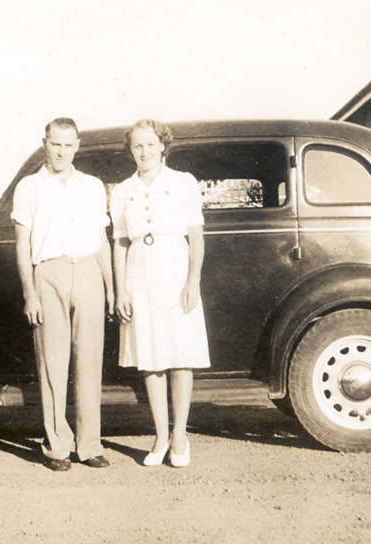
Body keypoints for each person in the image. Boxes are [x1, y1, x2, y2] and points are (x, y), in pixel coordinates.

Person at [12, 118, 115, 471]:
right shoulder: (29, 187)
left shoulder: (92, 186)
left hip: (87, 272)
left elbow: (102, 242)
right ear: (45, 143)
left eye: (69, 145)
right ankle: (57, 446)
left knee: (89, 361)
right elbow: (22, 245)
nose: (62, 151)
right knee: (53, 363)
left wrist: (112, 288)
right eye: (56, 144)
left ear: (77, 145)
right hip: (48, 274)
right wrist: (30, 293)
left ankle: (90, 445)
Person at [110, 119, 211, 468]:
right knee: (150, 357)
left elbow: (196, 238)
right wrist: (121, 289)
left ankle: (180, 436)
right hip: (139, 271)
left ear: (163, 146)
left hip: (175, 268)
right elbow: (120, 243)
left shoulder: (183, 183)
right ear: (131, 150)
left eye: (151, 145)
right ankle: (161, 436)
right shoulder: (122, 190)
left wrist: (192, 281)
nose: (144, 152)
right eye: (138, 146)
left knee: (180, 354)